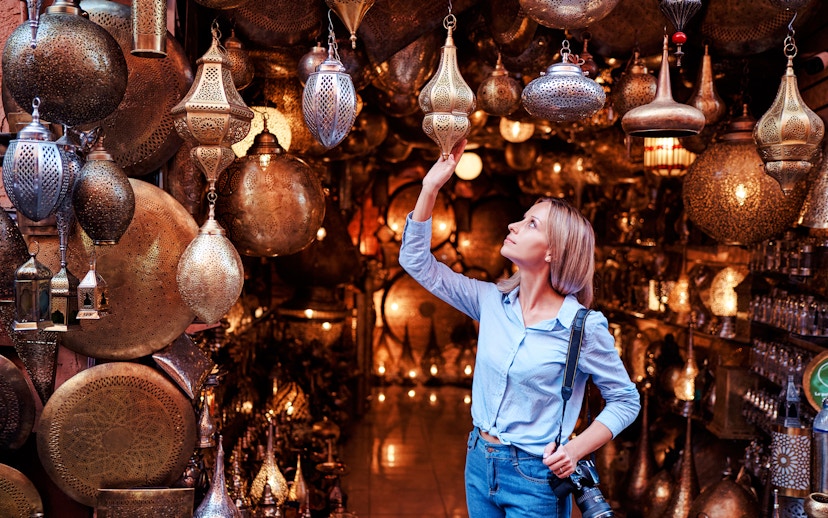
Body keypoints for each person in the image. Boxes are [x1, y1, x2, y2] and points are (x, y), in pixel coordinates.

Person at [399, 139, 640, 517]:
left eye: (530, 223)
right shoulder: (490, 301)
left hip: (535, 478)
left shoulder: (582, 327)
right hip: (479, 462)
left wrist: (575, 450)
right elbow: (416, 261)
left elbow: (626, 400)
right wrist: (430, 187)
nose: (512, 225)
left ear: (553, 251)